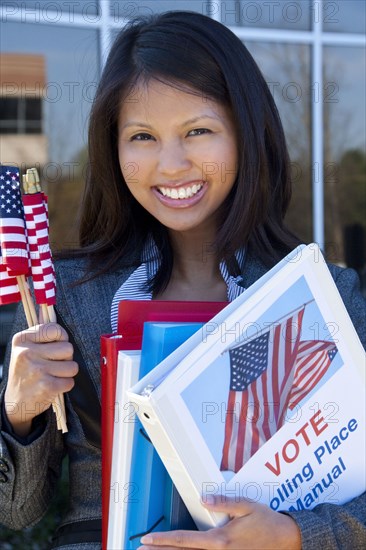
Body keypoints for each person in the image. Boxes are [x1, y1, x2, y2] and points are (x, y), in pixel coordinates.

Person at [0, 10, 365, 550]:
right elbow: (17, 510)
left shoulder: (325, 296)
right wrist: (19, 414)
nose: (170, 164)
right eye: (142, 136)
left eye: (198, 130)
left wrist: (293, 534)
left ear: (246, 133)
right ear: (113, 148)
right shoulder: (70, 298)